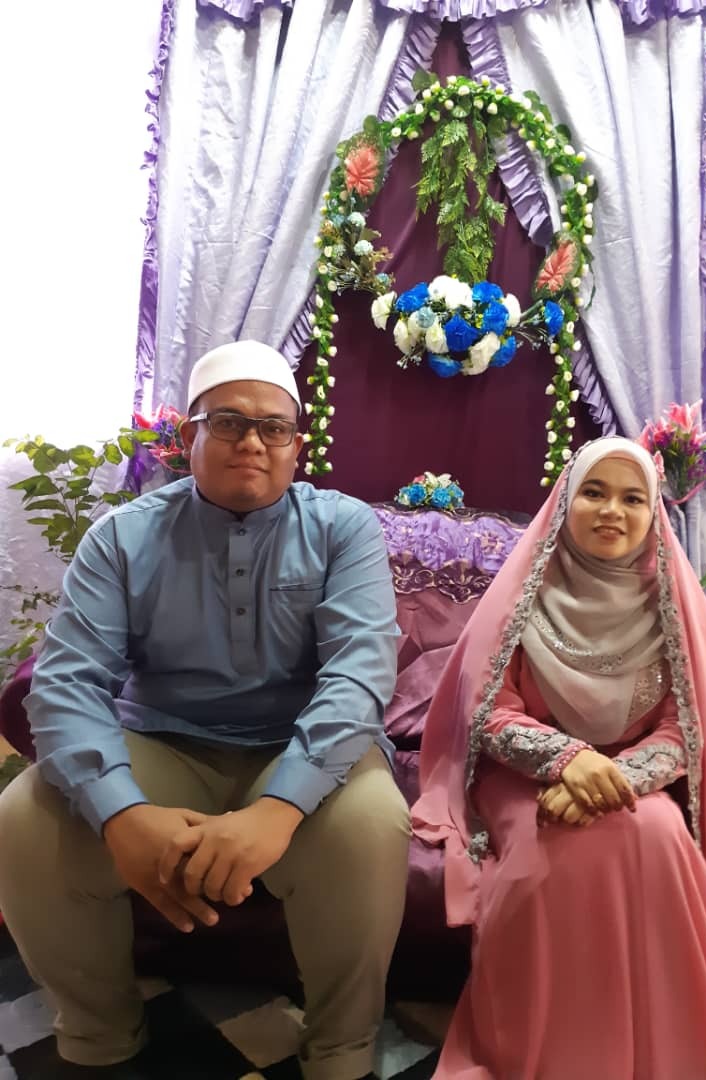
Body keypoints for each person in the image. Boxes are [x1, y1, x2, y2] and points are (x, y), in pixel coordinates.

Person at [0, 340, 410, 1080]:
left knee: (371, 823)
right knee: (24, 819)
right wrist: (122, 815)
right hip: (163, 741)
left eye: (273, 427)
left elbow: (358, 676)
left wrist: (277, 811)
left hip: (298, 746)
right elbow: (65, 684)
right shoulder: (122, 537)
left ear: (296, 446)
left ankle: (341, 1051)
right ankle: (99, 1041)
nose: (252, 441)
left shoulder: (343, 528)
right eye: (227, 422)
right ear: (188, 437)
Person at [412, 436, 706, 1079]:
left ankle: (666, 1041)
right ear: (565, 500)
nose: (611, 512)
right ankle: (548, 1052)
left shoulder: (672, 606)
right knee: (540, 859)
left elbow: (686, 727)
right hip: (522, 778)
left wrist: (614, 775)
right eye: (594, 492)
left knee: (657, 833)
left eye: (632, 499)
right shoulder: (524, 594)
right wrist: (568, 759)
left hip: (628, 778)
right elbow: (486, 712)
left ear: (653, 514)